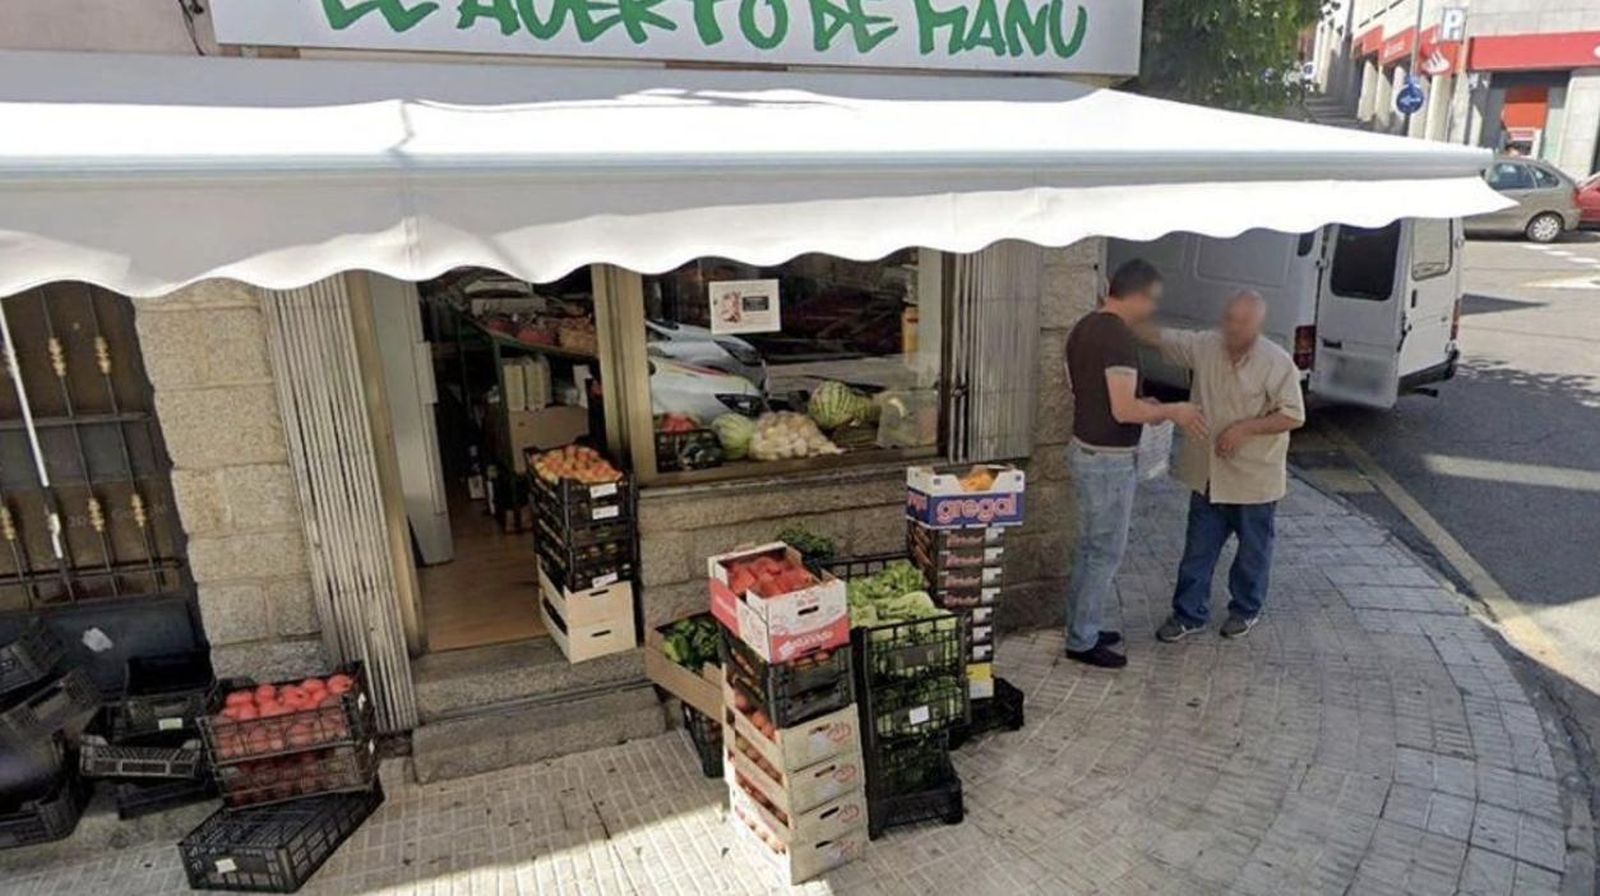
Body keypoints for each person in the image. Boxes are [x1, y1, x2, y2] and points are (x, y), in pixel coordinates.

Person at [1063, 259, 1207, 669]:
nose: (1152, 310)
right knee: (1103, 552)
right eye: (1153, 300)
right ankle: (1082, 639)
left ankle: (1083, 625)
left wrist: (1145, 405)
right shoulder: (1118, 339)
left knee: (1091, 548)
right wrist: (1173, 411)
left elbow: (1086, 391)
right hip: (1107, 460)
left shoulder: (1084, 326)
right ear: (1139, 295)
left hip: (1086, 450)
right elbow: (1123, 410)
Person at [1152, 291, 1306, 642]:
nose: (1232, 327)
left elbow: (1293, 415)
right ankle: (1188, 614)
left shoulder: (1276, 361)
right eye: (1229, 318)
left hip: (1254, 479)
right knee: (1198, 550)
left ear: (1256, 325)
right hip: (1209, 475)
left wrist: (1244, 429)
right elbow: (1166, 339)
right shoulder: (1206, 345)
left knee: (1253, 553)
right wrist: (1124, 317)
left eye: (1241, 322)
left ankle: (1245, 609)